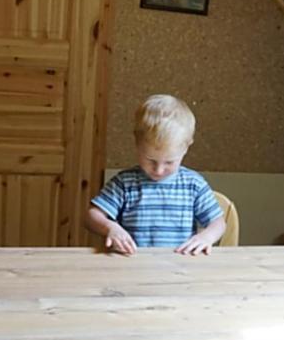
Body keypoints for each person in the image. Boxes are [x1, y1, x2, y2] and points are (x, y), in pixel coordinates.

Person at [84, 94, 226, 255]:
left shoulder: (194, 184)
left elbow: (218, 223)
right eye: (150, 159)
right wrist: (111, 227)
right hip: (132, 265)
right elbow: (92, 216)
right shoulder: (124, 183)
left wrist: (206, 237)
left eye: (169, 162)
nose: (158, 170)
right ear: (137, 144)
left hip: (179, 267)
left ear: (186, 148)